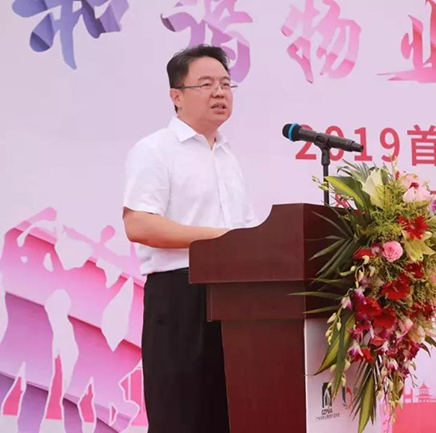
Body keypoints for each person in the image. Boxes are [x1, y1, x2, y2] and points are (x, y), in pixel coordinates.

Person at [122, 44, 256, 433]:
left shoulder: (228, 157)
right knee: (181, 417)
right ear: (176, 96)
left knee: (228, 416)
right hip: (180, 297)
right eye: (206, 84)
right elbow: (139, 224)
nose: (220, 92)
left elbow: (246, 230)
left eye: (226, 84)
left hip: (234, 300)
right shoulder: (154, 151)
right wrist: (219, 239)